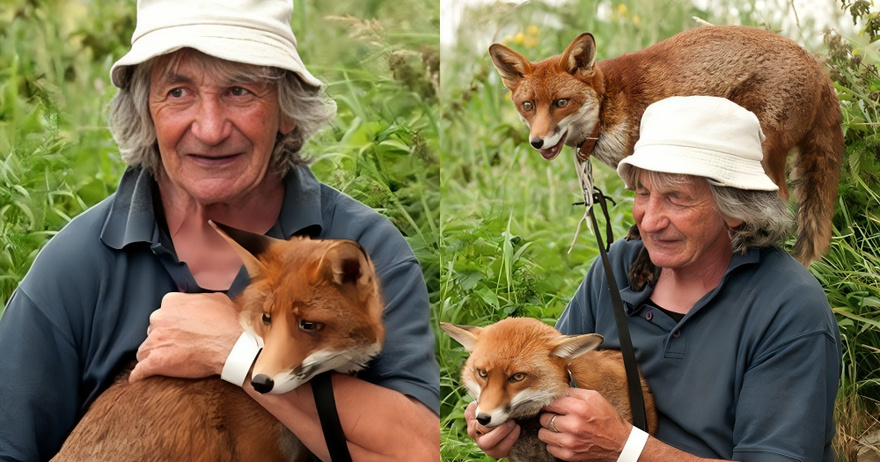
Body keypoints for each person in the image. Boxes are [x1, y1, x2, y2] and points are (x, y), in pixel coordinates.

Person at [0, 0, 439, 460]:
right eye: (177, 92)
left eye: (240, 91)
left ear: (287, 110)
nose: (210, 130)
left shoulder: (368, 250)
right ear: (146, 112)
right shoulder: (74, 265)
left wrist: (233, 350)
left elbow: (418, 450)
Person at [465, 96, 841, 461]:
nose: (649, 219)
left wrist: (625, 449)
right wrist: (505, 420)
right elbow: (552, 382)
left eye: (676, 197)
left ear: (735, 210)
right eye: (643, 192)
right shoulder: (616, 268)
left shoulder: (789, 308)